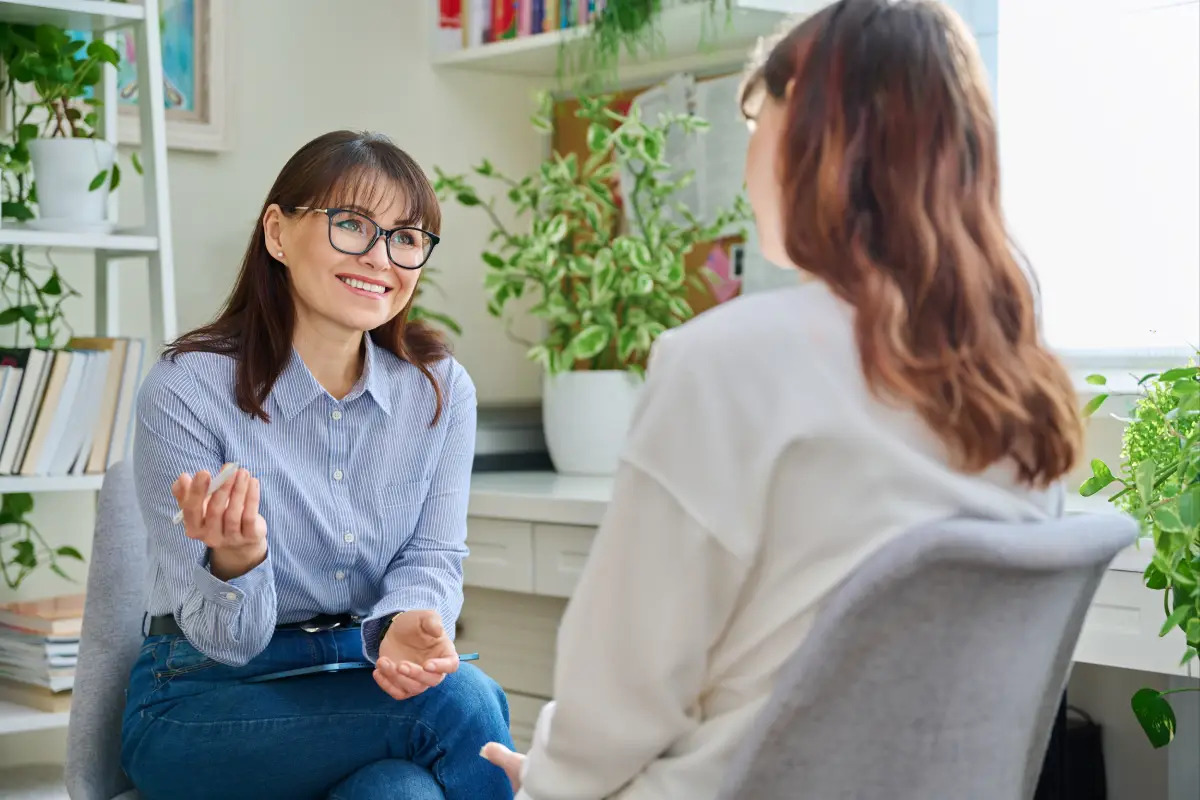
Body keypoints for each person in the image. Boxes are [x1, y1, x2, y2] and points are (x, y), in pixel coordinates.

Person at [480, 1, 1083, 797]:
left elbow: (618, 700)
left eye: (758, 114)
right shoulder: (1024, 389)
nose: (748, 151)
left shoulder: (727, 361)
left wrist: (548, 782)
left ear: (810, 127)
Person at [121, 130, 514, 800]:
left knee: (399, 793)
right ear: (278, 232)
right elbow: (222, 640)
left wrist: (411, 615)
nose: (380, 258)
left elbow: (433, 555)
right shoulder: (186, 388)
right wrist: (236, 563)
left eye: (407, 237)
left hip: (356, 680)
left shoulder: (439, 390)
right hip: (200, 699)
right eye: (352, 225)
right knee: (464, 704)